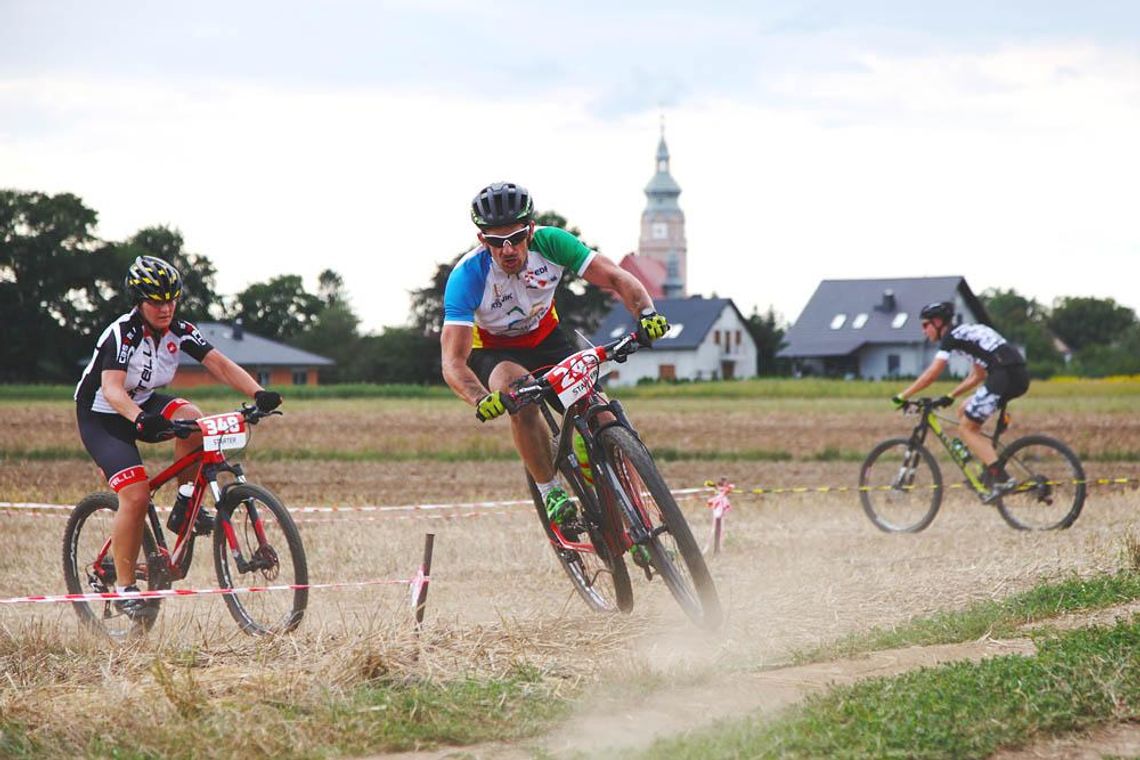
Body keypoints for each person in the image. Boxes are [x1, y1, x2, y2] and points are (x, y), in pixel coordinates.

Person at [440, 182, 669, 530]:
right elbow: (453, 361)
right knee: (520, 398)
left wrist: (646, 314)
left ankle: (635, 511)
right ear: (481, 240)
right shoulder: (467, 276)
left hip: (548, 339)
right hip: (496, 350)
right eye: (496, 242)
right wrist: (480, 398)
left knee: (603, 416)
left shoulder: (552, 243)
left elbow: (617, 277)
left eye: (516, 237)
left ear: (530, 229)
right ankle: (551, 492)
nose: (508, 250)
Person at [75, 255, 282, 621]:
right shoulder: (124, 334)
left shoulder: (179, 330)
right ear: (139, 301)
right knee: (136, 494)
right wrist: (141, 420)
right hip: (104, 415)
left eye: (171, 300)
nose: (166, 308)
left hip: (142, 402)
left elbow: (217, 362)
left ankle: (187, 502)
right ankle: (124, 588)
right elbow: (111, 389)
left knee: (194, 419)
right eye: (157, 301)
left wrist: (257, 393)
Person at [891, 300, 1030, 501]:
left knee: (966, 429)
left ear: (938, 322)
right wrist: (951, 396)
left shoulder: (951, 337)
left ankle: (1001, 478)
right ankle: (988, 470)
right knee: (965, 410)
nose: (924, 331)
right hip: (1015, 374)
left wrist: (903, 396)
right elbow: (978, 375)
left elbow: (932, 373)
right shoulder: (965, 334)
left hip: (1003, 374)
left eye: (925, 325)